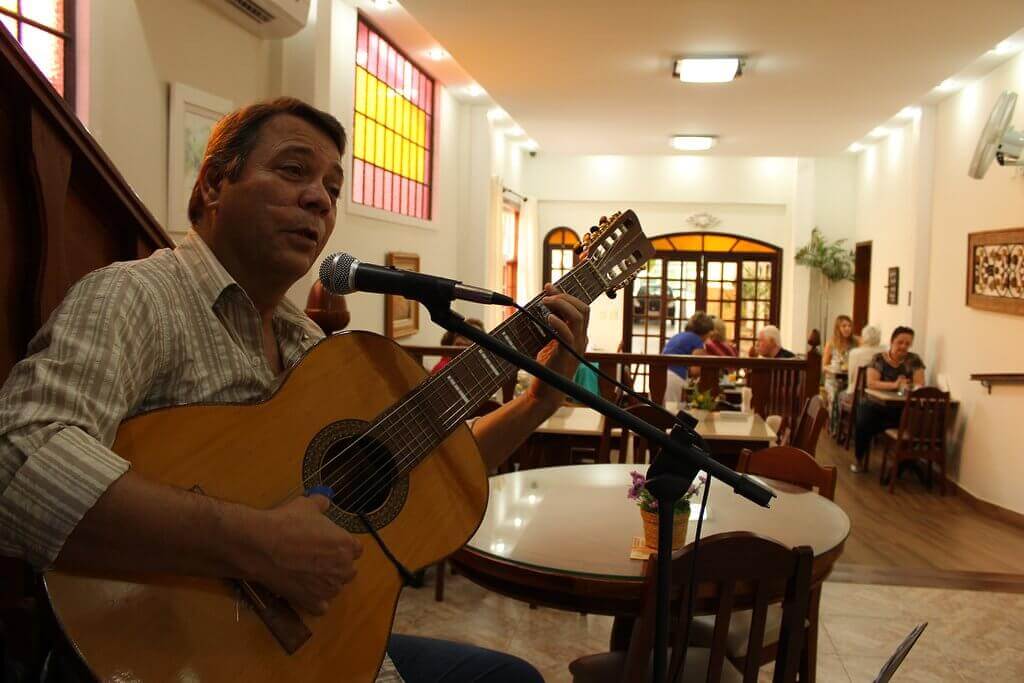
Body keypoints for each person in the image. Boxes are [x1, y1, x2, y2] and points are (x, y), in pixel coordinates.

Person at [0, 98, 590, 682]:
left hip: (305, 650)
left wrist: (538, 400)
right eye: (292, 170)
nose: (319, 199)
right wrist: (253, 540)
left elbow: (430, 461)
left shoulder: (309, 344)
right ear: (212, 186)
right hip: (169, 655)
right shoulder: (136, 297)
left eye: (332, 189)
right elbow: (18, 458)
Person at [851, 326, 926, 473]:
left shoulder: (914, 360)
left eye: (907, 343)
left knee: (921, 417)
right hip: (877, 406)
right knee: (864, 418)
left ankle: (906, 460)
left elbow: (919, 384)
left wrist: (909, 386)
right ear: (892, 342)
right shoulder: (879, 359)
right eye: (900, 342)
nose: (903, 346)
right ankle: (859, 458)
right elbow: (871, 383)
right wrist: (894, 385)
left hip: (903, 408)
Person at [662, 312, 714, 377]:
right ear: (707, 331)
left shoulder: (678, 336)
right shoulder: (697, 340)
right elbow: (695, 371)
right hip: (676, 376)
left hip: (661, 374)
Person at [845, 325, 885, 397]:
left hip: (856, 393)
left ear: (863, 337)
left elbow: (851, 377)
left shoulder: (855, 353)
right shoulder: (884, 352)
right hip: (878, 392)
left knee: (839, 395)